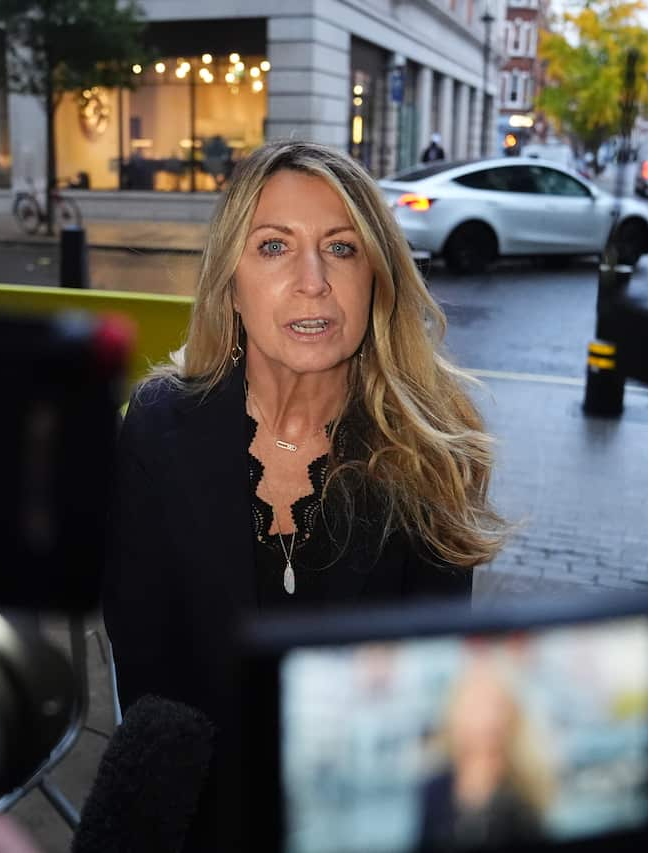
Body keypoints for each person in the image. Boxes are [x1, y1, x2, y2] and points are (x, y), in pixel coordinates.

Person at [101, 139, 508, 849]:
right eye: (273, 247)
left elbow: (425, 702)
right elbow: (148, 677)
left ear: (377, 277)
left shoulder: (430, 451)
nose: (313, 279)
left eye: (342, 248)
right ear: (229, 282)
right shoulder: (159, 426)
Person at [418, 654, 552, 849]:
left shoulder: (525, 793)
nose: (486, 717)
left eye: (494, 704)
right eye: (475, 703)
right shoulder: (433, 788)